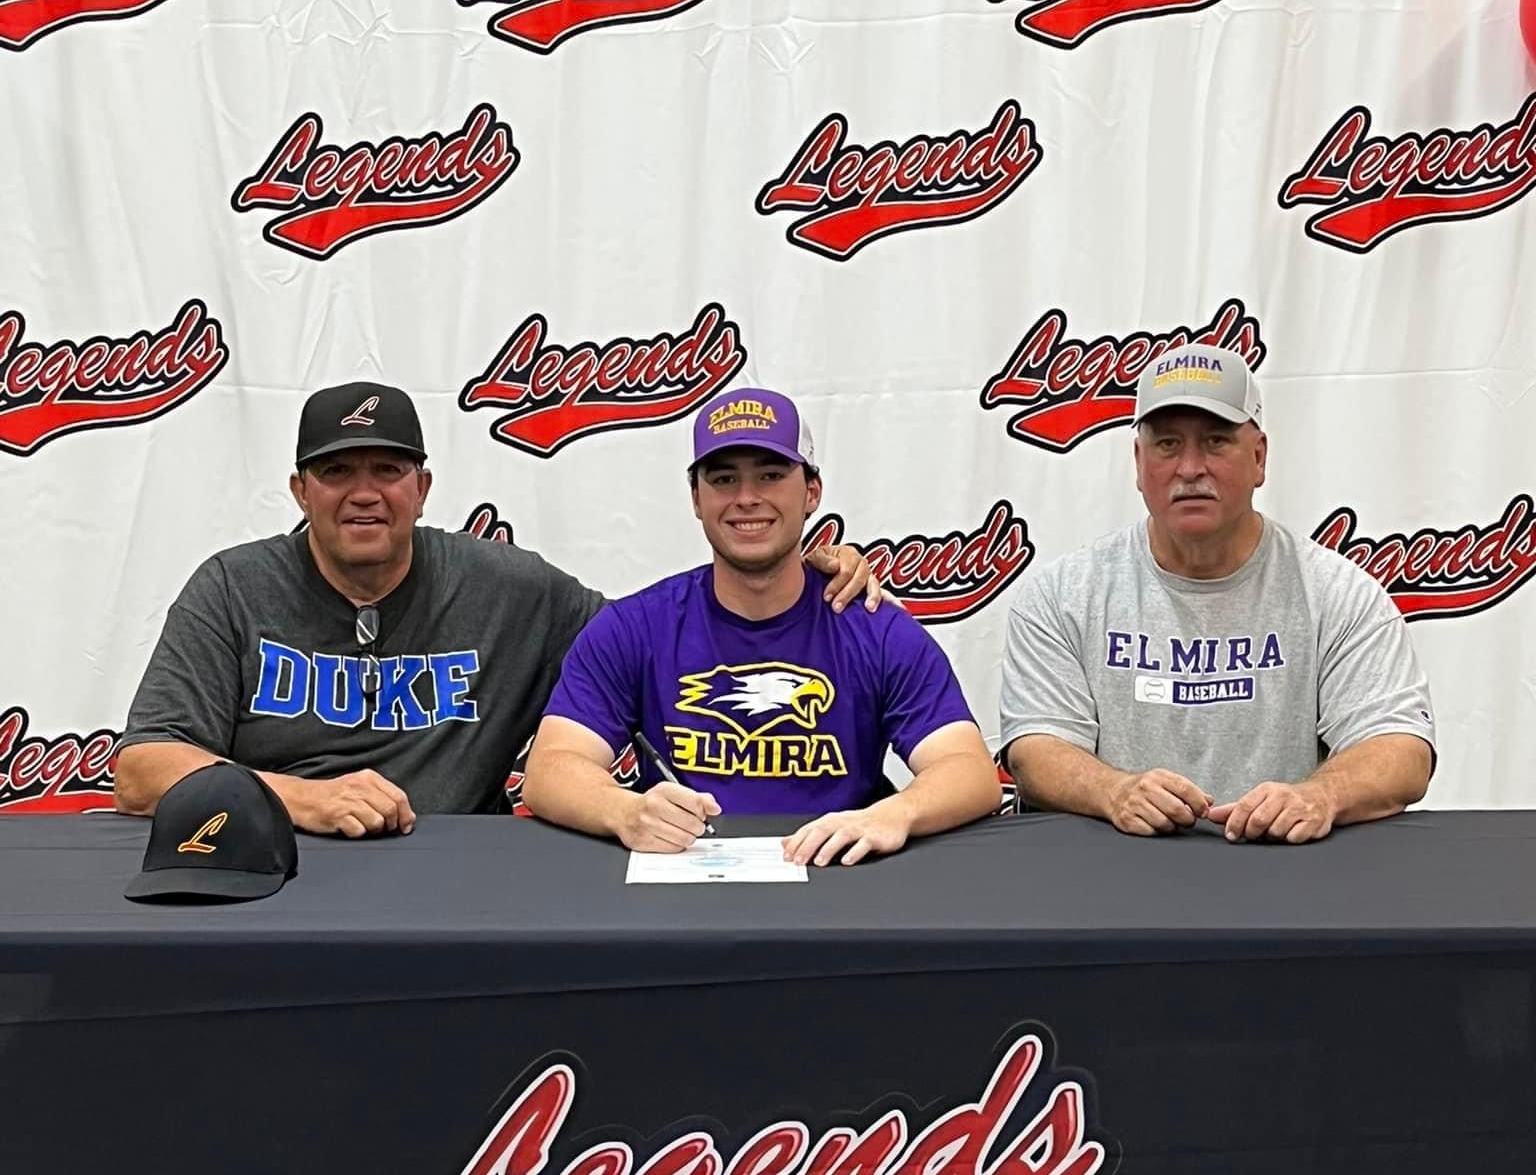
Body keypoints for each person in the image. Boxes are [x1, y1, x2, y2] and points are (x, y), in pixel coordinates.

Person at [114, 381, 877, 838]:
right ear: (299, 490)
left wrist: (799, 580)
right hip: (275, 859)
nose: (364, 491)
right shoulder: (233, 587)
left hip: (460, 871)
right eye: (337, 470)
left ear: (423, 487)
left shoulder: (509, 590)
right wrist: (302, 800)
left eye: (388, 468)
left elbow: (664, 644)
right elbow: (143, 769)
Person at [521, 387, 1000, 863]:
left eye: (771, 476)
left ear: (812, 492)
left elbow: (970, 772)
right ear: (695, 498)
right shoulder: (635, 627)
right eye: (724, 479)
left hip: (837, 883)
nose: (747, 498)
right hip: (679, 888)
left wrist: (892, 814)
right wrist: (623, 811)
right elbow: (550, 770)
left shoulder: (876, 630)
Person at [999, 342, 1435, 843]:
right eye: (1167, 444)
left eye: (1215, 442)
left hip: (1284, 872)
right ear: (1139, 463)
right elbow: (1036, 748)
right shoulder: (1062, 595)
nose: (1189, 468)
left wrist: (1319, 797)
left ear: (1258, 457)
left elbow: (1402, 750)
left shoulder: (1336, 593)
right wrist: (1113, 791)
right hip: (1111, 879)